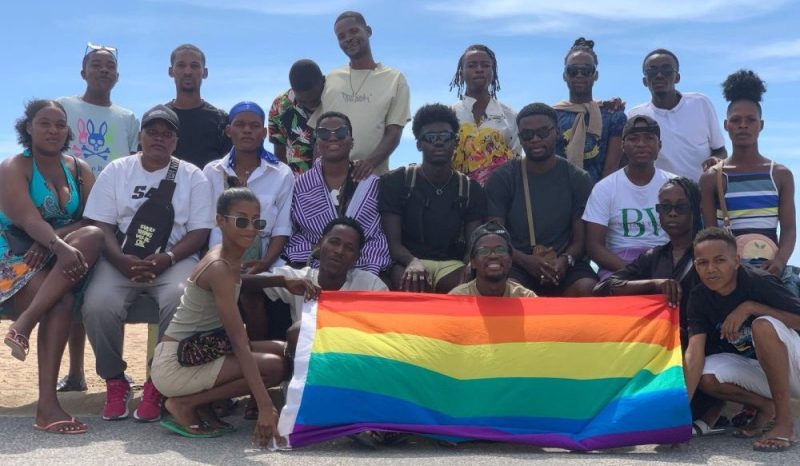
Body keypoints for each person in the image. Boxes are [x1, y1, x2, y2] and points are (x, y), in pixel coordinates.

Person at [150, 188, 317, 443]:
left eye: (257, 221)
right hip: (177, 365)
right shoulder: (219, 267)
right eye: (241, 220)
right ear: (220, 220)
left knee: (284, 351)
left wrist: (282, 281)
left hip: (199, 350)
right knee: (274, 367)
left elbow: (238, 283)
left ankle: (198, 403)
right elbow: (239, 342)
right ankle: (183, 404)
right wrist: (264, 405)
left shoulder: (225, 255)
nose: (250, 228)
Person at [81, 104, 214, 422]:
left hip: (173, 258)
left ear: (175, 141)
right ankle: (115, 380)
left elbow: (200, 231)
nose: (159, 138)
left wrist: (168, 257)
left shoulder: (192, 175)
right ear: (139, 136)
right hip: (120, 258)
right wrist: (119, 260)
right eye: (152, 132)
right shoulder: (117, 170)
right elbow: (101, 225)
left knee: (180, 298)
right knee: (97, 304)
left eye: (167, 134)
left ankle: (158, 382)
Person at [0, 99, 104, 433]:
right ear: (28, 127)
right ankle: (47, 407)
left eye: (60, 124)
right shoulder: (14, 167)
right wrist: (55, 245)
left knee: (93, 233)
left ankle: (25, 322)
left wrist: (53, 244)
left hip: (56, 257)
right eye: (45, 123)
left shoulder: (79, 169)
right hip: (14, 257)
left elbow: (92, 217)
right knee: (61, 301)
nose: (53, 130)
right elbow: (28, 219)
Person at [56, 42, 140, 394]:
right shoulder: (64, 106)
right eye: (96, 65)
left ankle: (114, 370)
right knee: (76, 285)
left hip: (115, 212)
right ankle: (75, 373)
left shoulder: (127, 118)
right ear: (83, 71)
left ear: (117, 76)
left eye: (109, 66)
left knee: (109, 288)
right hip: (71, 207)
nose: (103, 70)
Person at [684, 227, 800, 452]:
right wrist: (679, 411)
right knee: (706, 374)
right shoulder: (699, 297)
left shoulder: (758, 281)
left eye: (719, 260)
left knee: (762, 325)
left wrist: (751, 307)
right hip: (767, 375)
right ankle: (767, 407)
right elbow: (694, 351)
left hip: (795, 364)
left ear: (736, 260)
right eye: (702, 263)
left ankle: (785, 424)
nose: (710, 269)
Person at [203, 102, 293, 341]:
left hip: (265, 260)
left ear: (263, 133)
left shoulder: (281, 173)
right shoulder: (212, 172)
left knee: (253, 289)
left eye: (254, 126)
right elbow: (205, 223)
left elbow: (281, 229)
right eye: (240, 125)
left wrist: (263, 264)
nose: (247, 131)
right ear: (229, 130)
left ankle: (259, 356)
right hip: (218, 257)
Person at [486, 103, 597, 297]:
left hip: (565, 263)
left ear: (557, 131)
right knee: (508, 290)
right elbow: (496, 236)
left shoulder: (578, 178)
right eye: (527, 135)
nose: (535, 140)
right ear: (520, 138)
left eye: (543, 132)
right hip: (518, 262)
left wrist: (565, 260)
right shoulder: (503, 178)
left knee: (588, 288)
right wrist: (526, 261)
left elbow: (581, 240)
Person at [379, 104, 486, 293]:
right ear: (419, 143)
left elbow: (473, 243)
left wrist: (470, 268)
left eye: (445, 137)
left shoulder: (470, 188)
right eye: (430, 137)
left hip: (451, 264)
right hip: (407, 260)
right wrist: (412, 262)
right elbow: (393, 244)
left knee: (470, 288)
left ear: (455, 141)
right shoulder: (396, 181)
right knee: (411, 284)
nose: (438, 142)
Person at [700, 70, 795, 278]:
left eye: (751, 120)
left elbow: (788, 229)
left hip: (770, 272)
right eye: (736, 120)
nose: (743, 125)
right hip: (729, 275)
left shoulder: (779, 175)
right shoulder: (711, 178)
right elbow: (710, 233)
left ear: (761, 125)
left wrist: (779, 262)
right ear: (726, 126)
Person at [284, 111, 391, 275]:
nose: (332, 138)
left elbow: (379, 234)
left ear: (352, 142)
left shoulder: (373, 184)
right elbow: (292, 232)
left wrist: (352, 254)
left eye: (341, 132)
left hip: (366, 265)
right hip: (311, 268)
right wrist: (320, 251)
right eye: (323, 133)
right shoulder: (299, 185)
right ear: (317, 143)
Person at [314, 11, 411, 180]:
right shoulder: (331, 79)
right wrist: (317, 175)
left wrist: (368, 164)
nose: (348, 39)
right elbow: (320, 133)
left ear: (368, 31)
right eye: (341, 36)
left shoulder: (395, 79)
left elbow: (394, 133)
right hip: (330, 179)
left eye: (354, 31)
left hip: (372, 179)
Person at [583, 115, 675, 280]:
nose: (641, 144)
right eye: (633, 139)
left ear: (659, 145)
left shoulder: (675, 186)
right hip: (618, 266)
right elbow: (594, 246)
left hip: (666, 261)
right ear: (623, 145)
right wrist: (633, 271)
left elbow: (687, 237)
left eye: (649, 138)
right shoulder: (604, 188)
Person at [248, 217, 388, 324]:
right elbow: (239, 283)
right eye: (334, 242)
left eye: (349, 248)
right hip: (305, 356)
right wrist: (283, 282)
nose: (339, 251)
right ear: (320, 244)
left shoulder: (371, 286)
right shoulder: (299, 278)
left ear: (357, 257)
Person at [628, 48, 727, 182]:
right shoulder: (636, 115)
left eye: (667, 70)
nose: (659, 75)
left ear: (677, 77)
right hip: (662, 198)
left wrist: (716, 161)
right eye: (652, 70)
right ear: (644, 81)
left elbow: (720, 150)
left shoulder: (700, 103)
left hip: (703, 195)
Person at [554, 38, 626, 182]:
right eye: (573, 70)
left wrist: (599, 199)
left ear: (595, 75)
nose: (579, 75)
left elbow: (611, 168)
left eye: (586, 70)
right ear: (564, 76)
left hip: (601, 195)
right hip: (560, 195)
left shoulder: (613, 115)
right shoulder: (552, 116)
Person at [448, 44, 520, 185]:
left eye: (485, 65)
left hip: (499, 198)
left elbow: (516, 164)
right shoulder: (448, 115)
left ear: (493, 73)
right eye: (472, 65)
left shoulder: (511, 117)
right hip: (456, 196)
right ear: (460, 74)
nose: (479, 69)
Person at [166, 44, 231, 168]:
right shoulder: (159, 119)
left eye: (194, 66)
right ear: (171, 71)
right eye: (181, 65)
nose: (188, 72)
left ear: (204, 72)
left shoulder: (221, 120)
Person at [268, 59, 325, 175]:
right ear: (293, 90)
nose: (310, 105)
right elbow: (279, 153)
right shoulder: (280, 106)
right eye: (303, 101)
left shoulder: (338, 98)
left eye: (315, 100)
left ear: (323, 81)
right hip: (297, 184)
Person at [449, 222, 536, 297]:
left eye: (500, 250)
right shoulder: (457, 299)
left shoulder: (526, 298)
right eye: (484, 251)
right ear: (473, 261)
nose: (493, 256)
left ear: (510, 261)